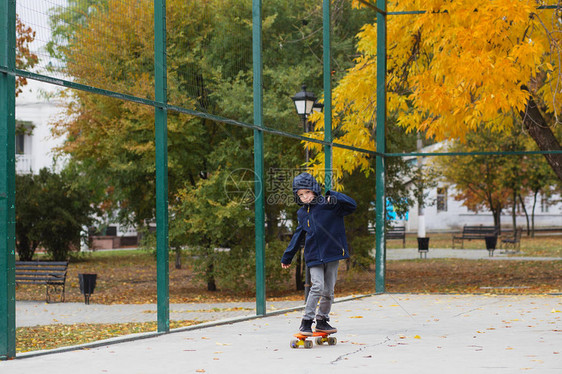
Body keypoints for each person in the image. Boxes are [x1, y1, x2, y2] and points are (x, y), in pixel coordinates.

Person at [281, 172, 357, 336]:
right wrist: (288, 256)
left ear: (314, 190)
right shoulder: (302, 213)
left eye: (307, 192)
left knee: (329, 291)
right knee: (317, 287)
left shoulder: (329, 204)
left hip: (332, 254)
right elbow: (298, 235)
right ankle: (306, 322)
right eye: (300, 195)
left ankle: (322, 321)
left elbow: (352, 205)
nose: (305, 197)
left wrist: (334, 195)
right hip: (314, 256)